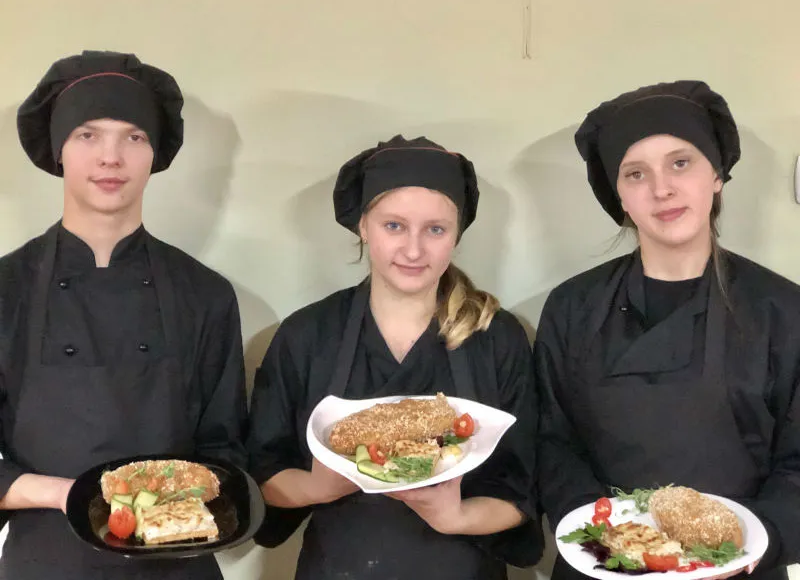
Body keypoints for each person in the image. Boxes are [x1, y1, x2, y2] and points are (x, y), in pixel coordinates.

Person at [535, 80, 800, 580]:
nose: (662, 189)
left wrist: (747, 545)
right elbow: (553, 442)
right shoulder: (571, 307)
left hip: (740, 565)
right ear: (618, 195)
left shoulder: (784, 311)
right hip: (605, 562)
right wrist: (603, 538)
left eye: (681, 163)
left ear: (716, 175)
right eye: (636, 173)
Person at [247, 135, 542, 580]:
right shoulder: (306, 334)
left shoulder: (496, 337)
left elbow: (523, 490)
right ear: (363, 227)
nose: (413, 250)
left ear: (456, 234)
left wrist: (455, 517)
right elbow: (263, 473)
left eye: (435, 229)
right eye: (394, 226)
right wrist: (315, 486)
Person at [0, 50, 247, 579]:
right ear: (58, 149)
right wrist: (67, 495)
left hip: (178, 560)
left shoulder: (206, 294)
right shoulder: (6, 289)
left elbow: (224, 448)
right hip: (47, 561)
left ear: (154, 153)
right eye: (88, 134)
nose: (111, 157)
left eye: (133, 137)